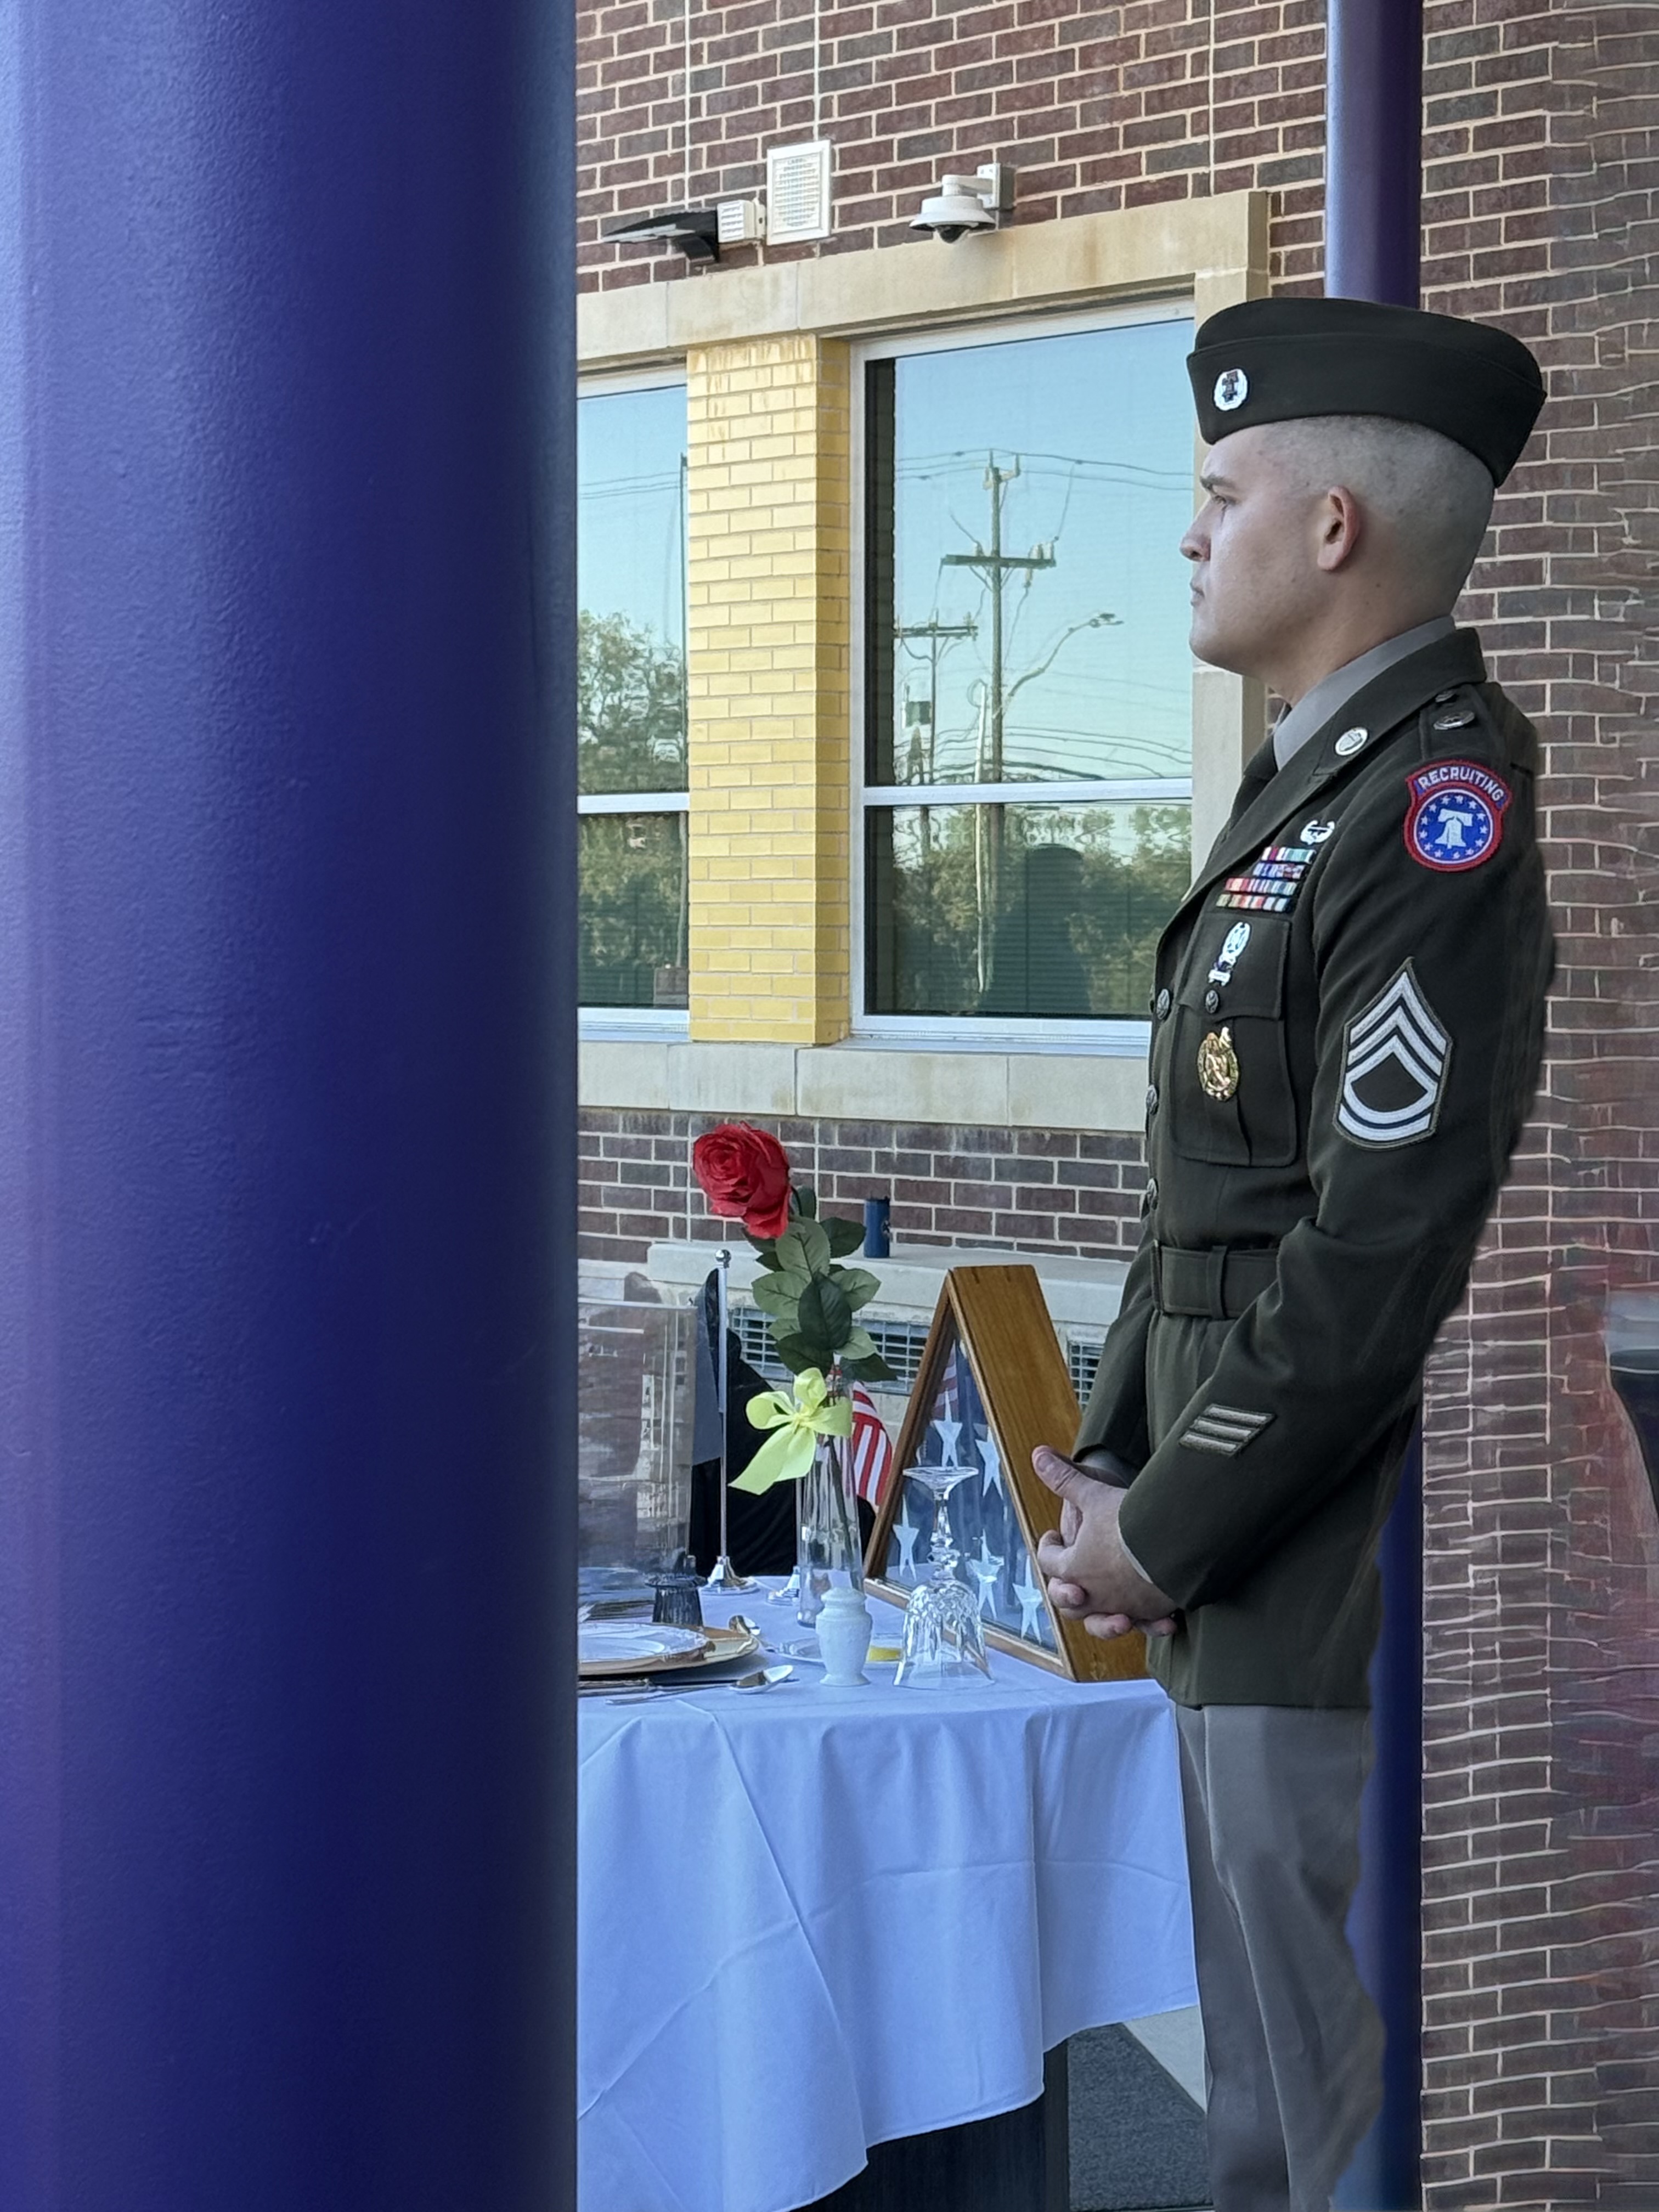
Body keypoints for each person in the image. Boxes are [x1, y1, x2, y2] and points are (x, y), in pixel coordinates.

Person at [1030, 297, 1553, 2212]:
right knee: (1254, 2107)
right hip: (1236, 1552)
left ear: (1331, 527)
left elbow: (1372, 1245)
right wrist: (1111, 1465)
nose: (1185, 531)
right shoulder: (1306, 794)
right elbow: (1209, 1214)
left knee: (1312, 2130)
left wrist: (1166, 1525)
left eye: (1218, 490)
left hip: (1308, 1565)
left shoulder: (1435, 806)